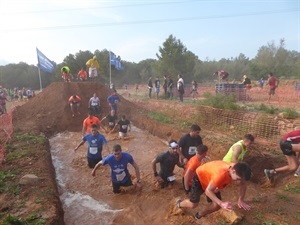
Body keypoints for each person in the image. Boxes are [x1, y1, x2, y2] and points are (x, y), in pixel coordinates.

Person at [177, 161, 252, 220]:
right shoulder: (220, 175)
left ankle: (199, 215)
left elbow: (243, 184)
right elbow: (208, 191)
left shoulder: (239, 170)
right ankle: (179, 204)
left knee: (216, 205)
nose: (239, 182)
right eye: (238, 179)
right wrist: (222, 203)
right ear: (233, 171)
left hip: (212, 179)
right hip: (200, 177)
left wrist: (241, 199)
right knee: (193, 204)